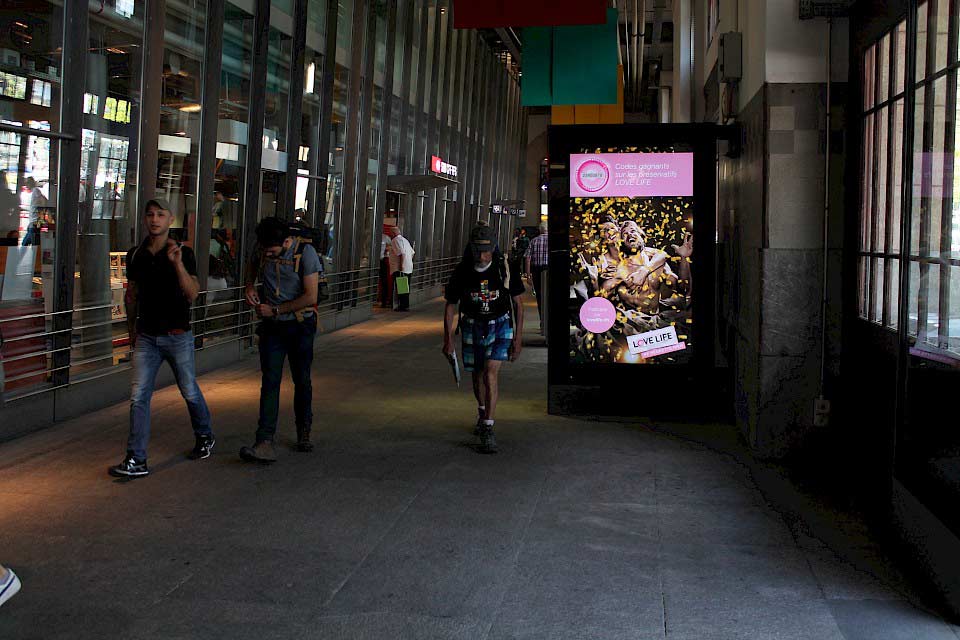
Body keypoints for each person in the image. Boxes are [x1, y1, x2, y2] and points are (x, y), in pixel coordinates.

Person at [109, 199, 214, 478]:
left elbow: (193, 293)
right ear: (144, 219)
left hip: (177, 335)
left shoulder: (183, 253)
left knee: (189, 390)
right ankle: (136, 458)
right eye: (150, 214)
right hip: (147, 336)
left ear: (170, 219)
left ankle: (204, 435)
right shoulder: (136, 255)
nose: (154, 219)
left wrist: (177, 265)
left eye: (160, 215)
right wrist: (132, 330)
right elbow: (132, 294)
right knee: (138, 397)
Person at [241, 216, 321, 462]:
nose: (269, 254)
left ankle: (303, 431)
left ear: (286, 240)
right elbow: (252, 264)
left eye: (273, 251)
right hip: (272, 327)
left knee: (302, 379)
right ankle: (264, 441)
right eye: (265, 250)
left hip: (300, 325)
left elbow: (310, 296)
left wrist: (276, 310)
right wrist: (249, 287)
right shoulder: (263, 249)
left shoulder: (306, 254)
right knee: (270, 381)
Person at [443, 224, 525, 454]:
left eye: (486, 250)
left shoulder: (504, 267)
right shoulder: (463, 270)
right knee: (477, 375)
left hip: (500, 324)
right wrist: (447, 339)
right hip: (471, 324)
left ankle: (488, 426)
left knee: (490, 371)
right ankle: (482, 410)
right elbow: (451, 305)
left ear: (494, 248)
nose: (482, 255)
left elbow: (518, 304)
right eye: (478, 250)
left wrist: (518, 338)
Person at [524, 222, 549, 330]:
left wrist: (528, 275)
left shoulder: (533, 241)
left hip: (537, 271)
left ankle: (542, 322)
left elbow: (527, 259)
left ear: (540, 230)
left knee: (540, 296)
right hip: (549, 270)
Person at [387, 225, 414, 311]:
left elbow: (401, 253)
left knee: (401, 288)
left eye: (390, 233)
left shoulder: (395, 240)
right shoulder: (405, 240)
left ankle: (402, 306)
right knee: (406, 288)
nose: (390, 235)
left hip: (400, 268)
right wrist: (407, 262)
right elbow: (412, 252)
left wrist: (401, 266)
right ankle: (405, 305)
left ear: (394, 233)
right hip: (408, 267)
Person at [378, 225, 392, 308]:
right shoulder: (401, 242)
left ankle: (385, 301)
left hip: (383, 261)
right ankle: (401, 303)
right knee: (384, 282)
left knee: (384, 281)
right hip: (403, 269)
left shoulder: (386, 238)